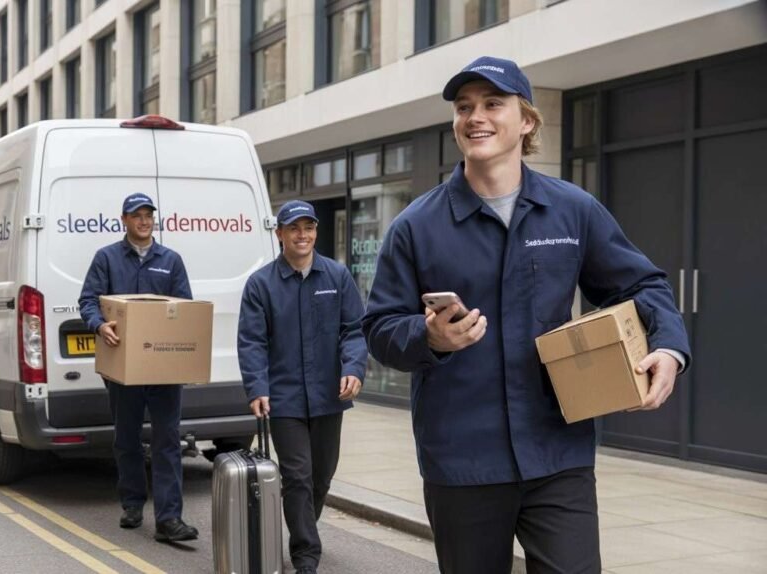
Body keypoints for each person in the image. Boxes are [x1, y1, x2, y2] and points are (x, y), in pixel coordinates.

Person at [361, 56, 690, 573]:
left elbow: (643, 283)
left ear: (528, 120)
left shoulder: (572, 209)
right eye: (464, 107)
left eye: (493, 103)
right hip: (462, 460)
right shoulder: (416, 226)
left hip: (558, 450)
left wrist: (669, 348)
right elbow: (379, 329)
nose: (476, 117)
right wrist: (430, 338)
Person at [238, 200, 368, 574]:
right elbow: (252, 341)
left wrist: (354, 368)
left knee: (321, 476)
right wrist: (257, 388)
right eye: (294, 228)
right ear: (279, 234)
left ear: (316, 232)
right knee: (297, 476)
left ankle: (303, 530)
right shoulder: (261, 284)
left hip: (330, 396)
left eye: (308, 228)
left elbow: (354, 330)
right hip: (285, 398)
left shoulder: (337, 276)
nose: (302, 235)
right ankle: (306, 555)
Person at [78, 192, 199, 543]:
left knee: (168, 440)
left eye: (148, 215)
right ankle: (132, 503)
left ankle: (169, 519)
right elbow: (88, 300)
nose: (144, 221)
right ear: (124, 220)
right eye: (137, 215)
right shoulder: (107, 258)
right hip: (123, 367)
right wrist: (98, 324)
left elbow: (184, 308)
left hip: (163, 368)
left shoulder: (171, 260)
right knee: (127, 438)